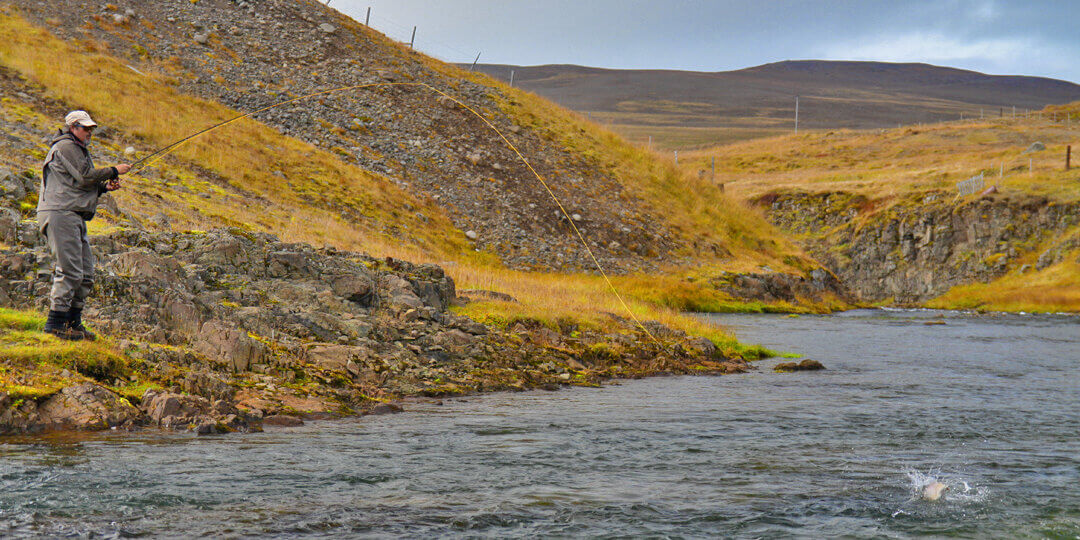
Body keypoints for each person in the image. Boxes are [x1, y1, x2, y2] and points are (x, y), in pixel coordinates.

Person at [36, 111, 130, 340]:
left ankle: (72, 323)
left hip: (72, 213)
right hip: (61, 213)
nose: (89, 132)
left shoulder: (77, 149)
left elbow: (77, 184)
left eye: (91, 129)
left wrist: (104, 188)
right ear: (73, 127)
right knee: (70, 271)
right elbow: (85, 176)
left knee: (86, 273)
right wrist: (114, 170)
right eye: (85, 128)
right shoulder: (65, 146)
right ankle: (55, 324)